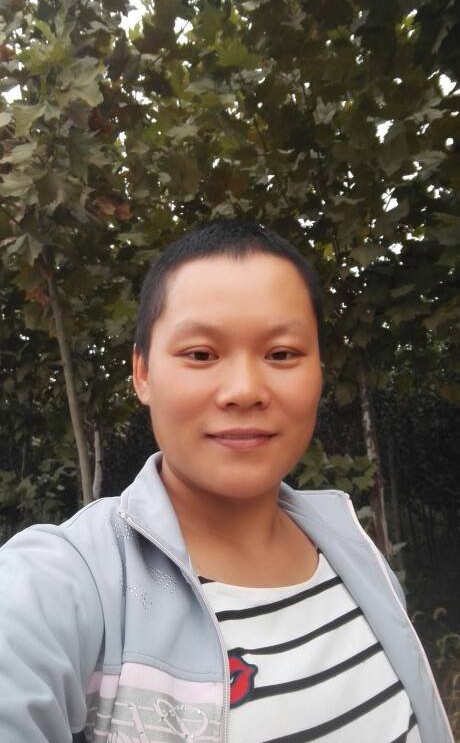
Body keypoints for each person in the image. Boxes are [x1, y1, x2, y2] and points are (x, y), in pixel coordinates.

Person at [0, 220, 453, 743]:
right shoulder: (62, 585)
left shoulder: (356, 553)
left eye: (281, 354)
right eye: (201, 354)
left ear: (320, 370)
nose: (244, 390)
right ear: (142, 374)